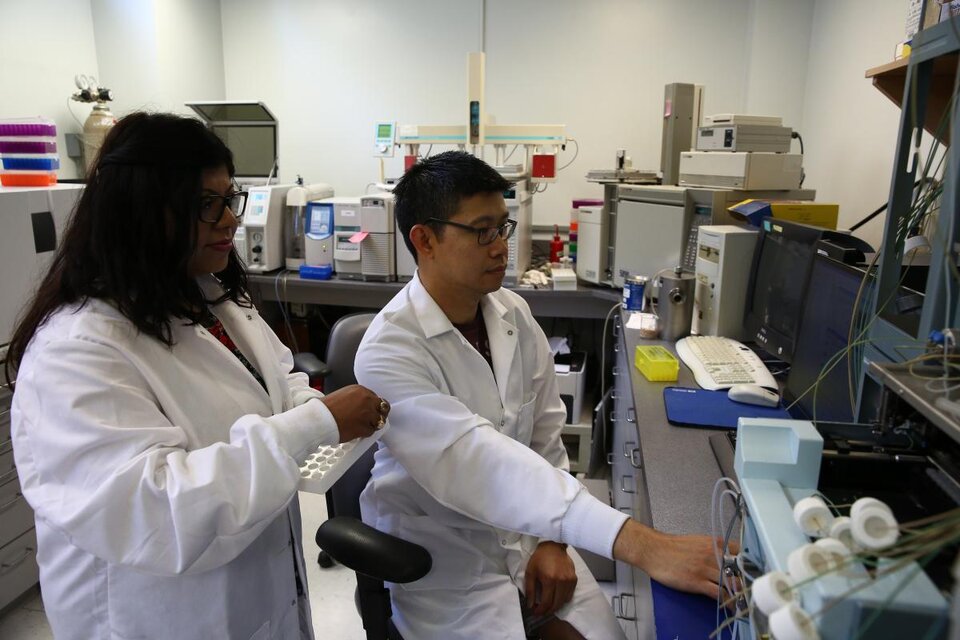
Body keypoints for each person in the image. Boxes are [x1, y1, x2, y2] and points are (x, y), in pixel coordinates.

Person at [6, 112, 389, 640]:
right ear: (141, 212)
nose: (229, 220)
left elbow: (275, 379)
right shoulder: (76, 351)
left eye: (230, 199)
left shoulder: (206, 297)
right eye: (207, 205)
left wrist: (319, 407)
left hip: (256, 592)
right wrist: (318, 423)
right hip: (159, 616)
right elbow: (156, 510)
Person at [355, 151, 729, 640]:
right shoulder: (389, 351)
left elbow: (545, 440)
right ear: (425, 240)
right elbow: (475, 463)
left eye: (504, 229)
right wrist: (642, 545)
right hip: (449, 562)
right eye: (482, 231)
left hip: (534, 539)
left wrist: (553, 540)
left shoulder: (513, 314)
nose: (501, 249)